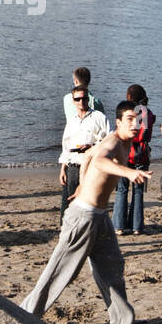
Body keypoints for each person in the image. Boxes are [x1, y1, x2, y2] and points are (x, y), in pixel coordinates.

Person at [21, 100, 151, 324]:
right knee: (61, 270)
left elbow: (90, 155)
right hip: (82, 217)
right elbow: (100, 160)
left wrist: (81, 184)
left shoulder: (125, 142)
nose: (135, 124)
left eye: (138, 120)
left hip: (100, 218)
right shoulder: (113, 141)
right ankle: (24, 317)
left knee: (112, 266)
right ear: (119, 122)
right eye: (130, 119)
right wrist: (129, 172)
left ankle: (122, 321)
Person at [59, 85, 109, 222]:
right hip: (73, 167)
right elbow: (66, 146)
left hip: (91, 167)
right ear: (73, 101)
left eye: (84, 98)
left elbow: (109, 143)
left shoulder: (99, 117)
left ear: (89, 99)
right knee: (71, 204)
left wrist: (91, 146)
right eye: (78, 99)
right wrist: (63, 169)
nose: (81, 102)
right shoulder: (72, 121)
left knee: (90, 206)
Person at [111, 84, 154, 235]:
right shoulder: (147, 112)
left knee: (122, 189)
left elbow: (128, 133)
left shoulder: (130, 112)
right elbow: (146, 135)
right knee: (138, 191)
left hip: (127, 153)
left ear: (129, 96)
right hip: (142, 155)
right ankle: (136, 226)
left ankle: (119, 225)